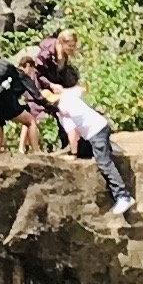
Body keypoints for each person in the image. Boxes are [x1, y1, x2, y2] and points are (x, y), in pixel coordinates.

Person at [47, 52, 135, 216]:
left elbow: (73, 135)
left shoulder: (64, 111)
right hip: (101, 124)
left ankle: (123, 196)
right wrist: (60, 89)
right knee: (102, 150)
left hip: (94, 131)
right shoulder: (69, 95)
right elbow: (81, 89)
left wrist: (73, 154)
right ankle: (110, 149)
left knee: (104, 163)